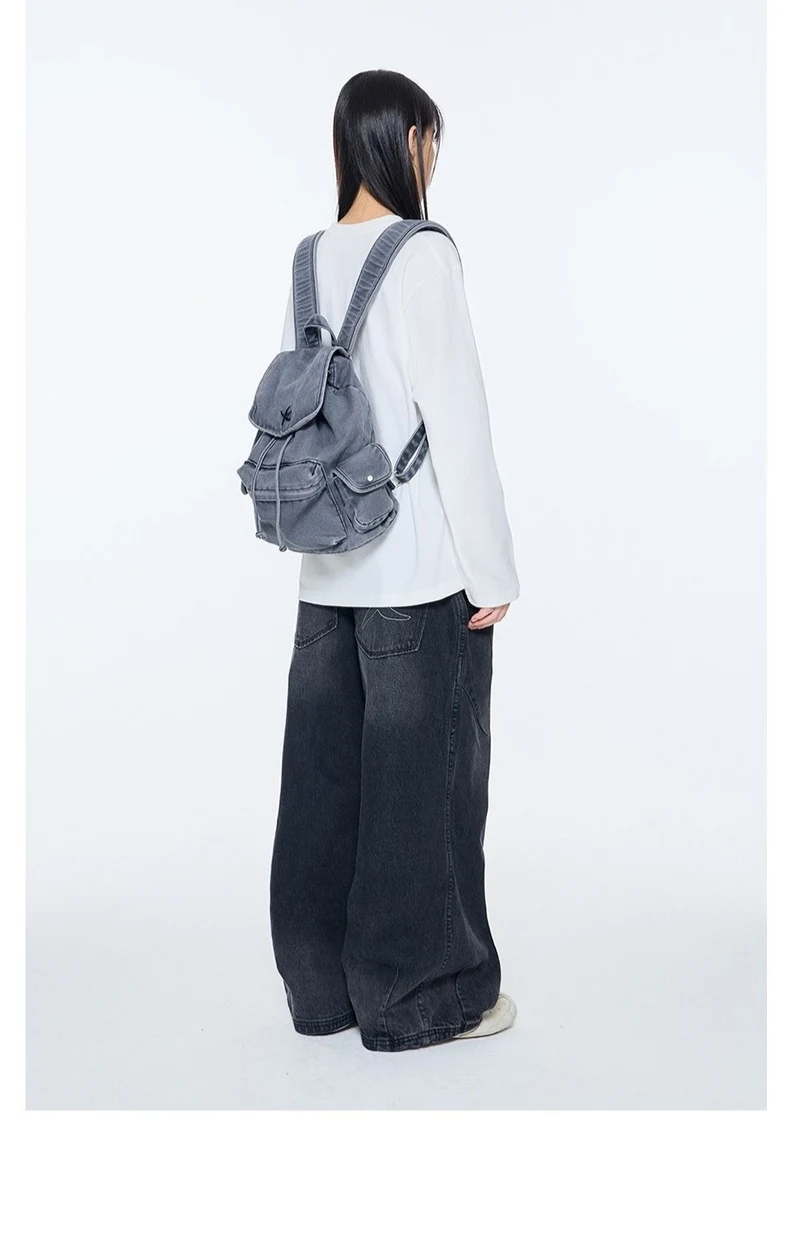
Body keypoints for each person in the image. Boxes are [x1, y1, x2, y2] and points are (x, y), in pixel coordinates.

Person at [269, 69, 520, 1052]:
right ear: (406, 140)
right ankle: (420, 998)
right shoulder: (421, 254)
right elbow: (457, 420)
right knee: (424, 790)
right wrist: (491, 572)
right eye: (431, 140)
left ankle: (320, 990)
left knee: (323, 783)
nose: (433, 158)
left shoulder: (307, 258)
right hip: (416, 574)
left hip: (324, 568)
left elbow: (291, 407)